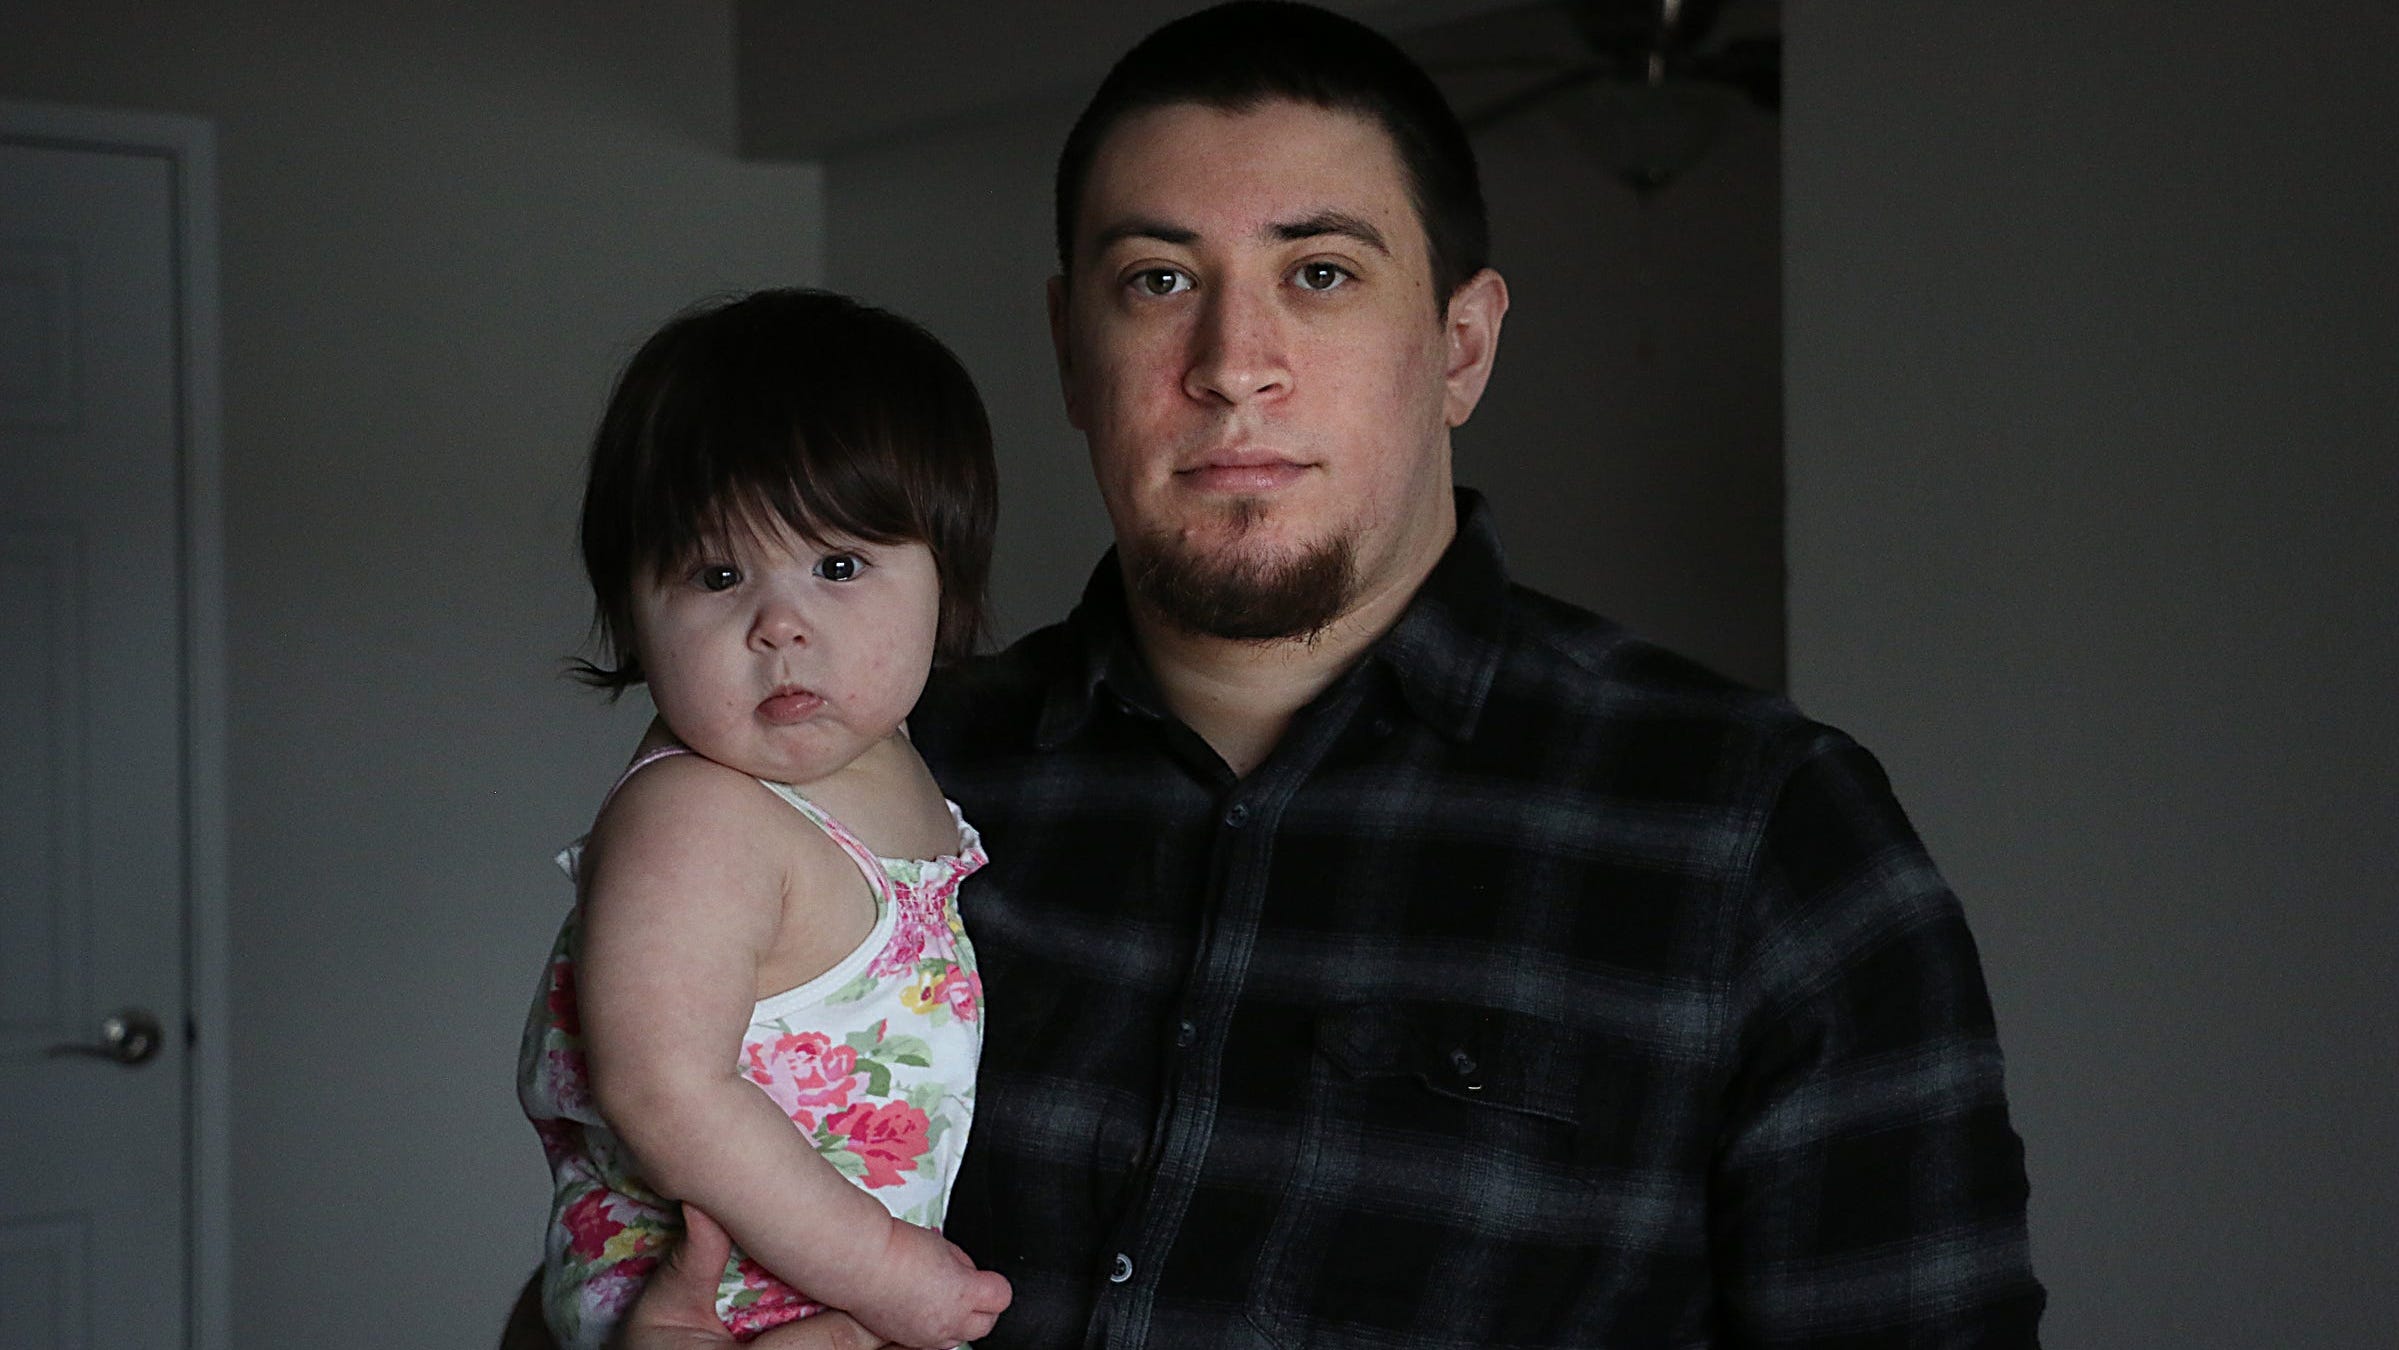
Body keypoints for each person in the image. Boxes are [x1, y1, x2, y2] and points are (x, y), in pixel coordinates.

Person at [618, 3, 2044, 1346]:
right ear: (1070, 351)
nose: (1234, 365)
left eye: (1319, 273)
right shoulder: (856, 781)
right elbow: (620, 1238)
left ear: (1459, 346)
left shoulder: (1765, 836)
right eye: (1157, 279)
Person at [516, 288, 1013, 1349]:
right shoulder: (696, 817)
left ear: (947, 579)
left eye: (839, 566)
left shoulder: (891, 758)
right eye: (717, 574)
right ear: (632, 616)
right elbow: (663, 1091)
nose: (779, 625)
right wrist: (883, 1271)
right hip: (715, 1310)